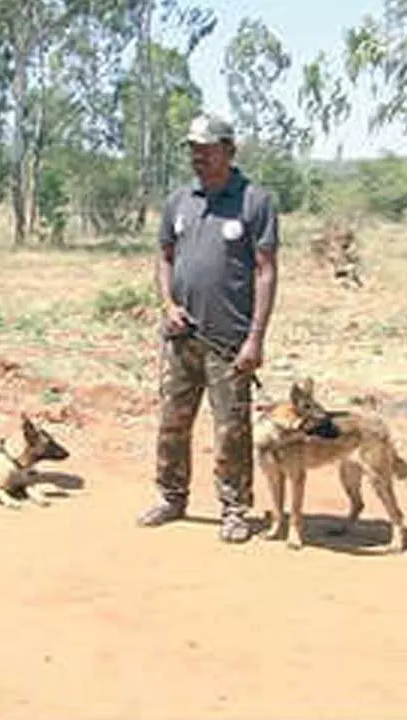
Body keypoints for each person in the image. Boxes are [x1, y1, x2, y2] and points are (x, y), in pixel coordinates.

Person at [136, 113, 280, 543]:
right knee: (172, 422)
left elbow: (266, 271)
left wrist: (255, 338)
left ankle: (235, 509)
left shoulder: (254, 200)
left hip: (229, 340)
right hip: (181, 337)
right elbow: (164, 257)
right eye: (193, 150)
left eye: (207, 149)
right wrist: (168, 304)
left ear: (229, 151)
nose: (198, 157)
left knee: (231, 427)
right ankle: (171, 497)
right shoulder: (180, 200)